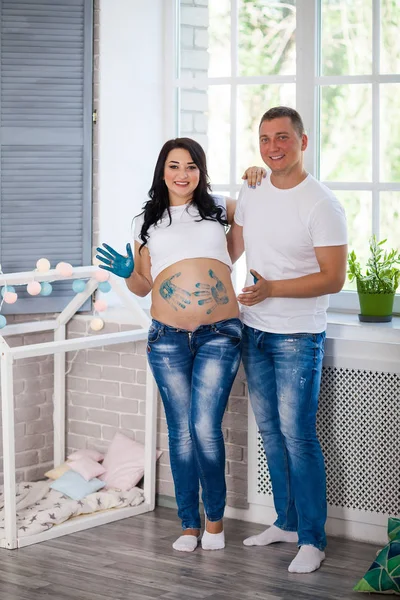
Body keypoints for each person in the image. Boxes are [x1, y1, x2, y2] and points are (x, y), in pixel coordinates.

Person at [96, 138, 261, 553]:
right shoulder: (145, 222)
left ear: (201, 171)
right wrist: (127, 271)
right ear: (162, 170)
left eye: (191, 166)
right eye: (174, 166)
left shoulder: (218, 208)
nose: (183, 174)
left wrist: (258, 180)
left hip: (219, 333)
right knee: (182, 432)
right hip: (167, 337)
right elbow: (142, 285)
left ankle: (215, 523)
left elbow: (263, 210)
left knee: (204, 427)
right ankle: (189, 524)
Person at [227, 106, 348, 573]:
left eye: (282, 138)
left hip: (298, 336)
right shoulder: (253, 189)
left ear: (302, 141)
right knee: (272, 434)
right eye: (264, 139)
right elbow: (231, 249)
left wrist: (274, 288)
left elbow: (334, 278)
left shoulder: (321, 204)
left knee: (299, 437)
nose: (273, 147)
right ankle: (286, 522)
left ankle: (313, 540)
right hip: (253, 331)